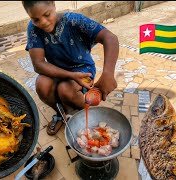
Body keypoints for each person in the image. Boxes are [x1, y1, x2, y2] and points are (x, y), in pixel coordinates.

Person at [22, 1, 119, 135]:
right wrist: (71, 76)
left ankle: (89, 116)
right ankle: (61, 114)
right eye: (36, 19)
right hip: (56, 71)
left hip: (82, 69)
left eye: (47, 15)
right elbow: (38, 64)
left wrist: (108, 74)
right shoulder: (33, 29)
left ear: (53, 5)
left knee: (65, 90)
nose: (43, 22)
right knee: (42, 84)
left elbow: (110, 38)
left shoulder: (74, 21)